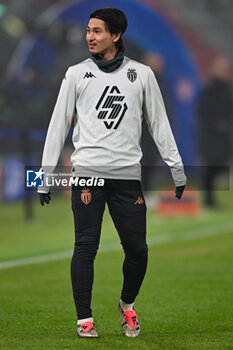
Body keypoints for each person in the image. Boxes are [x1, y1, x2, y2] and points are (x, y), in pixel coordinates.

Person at [38, 7, 186, 338]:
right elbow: (57, 125)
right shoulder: (75, 74)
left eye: (97, 31)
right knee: (85, 246)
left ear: (116, 35)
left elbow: (159, 125)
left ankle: (127, 306)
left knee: (138, 250)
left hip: (127, 177)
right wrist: (46, 176)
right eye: (88, 30)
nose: (89, 36)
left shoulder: (142, 74)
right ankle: (84, 320)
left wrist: (176, 169)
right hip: (87, 175)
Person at [198, 56, 233, 207]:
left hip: (225, 137)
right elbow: (201, 111)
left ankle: (211, 198)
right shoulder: (209, 89)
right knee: (211, 167)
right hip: (211, 137)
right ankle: (208, 199)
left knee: (220, 166)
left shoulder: (229, 89)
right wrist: (215, 124)